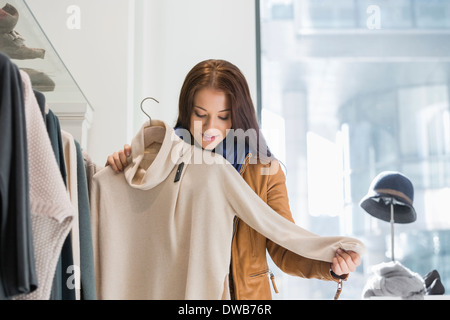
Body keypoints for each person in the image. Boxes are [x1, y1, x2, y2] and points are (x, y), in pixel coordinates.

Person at [106, 59, 361, 299]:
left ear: (238, 115)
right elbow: (137, 225)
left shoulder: (265, 172)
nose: (209, 128)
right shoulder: (164, 162)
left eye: (223, 117)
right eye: (200, 114)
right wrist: (121, 171)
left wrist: (331, 264)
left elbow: (284, 247)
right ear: (186, 111)